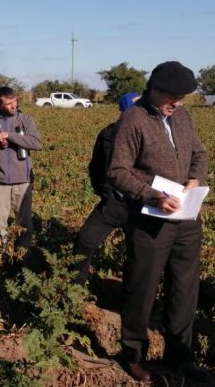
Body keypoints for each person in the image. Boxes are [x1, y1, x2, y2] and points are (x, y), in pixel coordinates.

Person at [108, 62, 208, 382]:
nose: (177, 103)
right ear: (154, 89)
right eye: (173, 97)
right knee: (142, 288)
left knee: (184, 289)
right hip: (151, 220)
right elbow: (118, 172)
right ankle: (134, 354)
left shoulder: (182, 116)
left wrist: (195, 179)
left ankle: (180, 356)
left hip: (186, 218)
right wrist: (153, 196)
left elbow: (199, 154)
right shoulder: (133, 120)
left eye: (182, 97)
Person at [73, 92, 140, 284]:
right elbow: (95, 166)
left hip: (139, 205)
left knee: (139, 253)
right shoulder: (107, 134)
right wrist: (104, 191)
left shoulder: (149, 135)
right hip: (112, 202)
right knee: (84, 241)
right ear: (123, 112)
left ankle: (130, 294)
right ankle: (75, 287)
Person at [0, 86, 41, 262]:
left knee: (25, 223)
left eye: (15, 102)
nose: (13, 106)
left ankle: (23, 256)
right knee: (0, 224)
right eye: (8, 103)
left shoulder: (25, 120)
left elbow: (36, 143)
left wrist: (10, 136)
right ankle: (0, 256)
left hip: (23, 181)